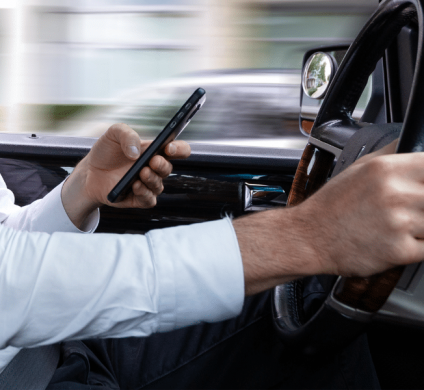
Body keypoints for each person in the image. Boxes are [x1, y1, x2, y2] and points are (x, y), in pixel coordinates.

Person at [0, 123, 422, 389]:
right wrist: (312, 235)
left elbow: (10, 246)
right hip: (37, 372)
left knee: (301, 303)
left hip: (58, 346)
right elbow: (10, 282)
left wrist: (81, 189)